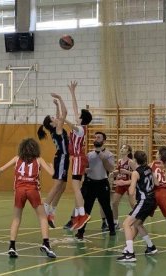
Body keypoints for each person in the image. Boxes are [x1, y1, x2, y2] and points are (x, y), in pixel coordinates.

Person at [0, 138, 57, 259]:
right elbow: (52, 174)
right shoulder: (38, 159)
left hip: (19, 190)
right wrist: (52, 167)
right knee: (43, 217)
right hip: (33, 190)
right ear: (35, 149)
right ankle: (46, 243)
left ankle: (12, 246)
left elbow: (1, 169)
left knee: (16, 218)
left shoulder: (17, 158)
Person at [75, 131, 116, 240]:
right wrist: (85, 170)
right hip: (91, 183)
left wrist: (104, 160)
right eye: (95, 137)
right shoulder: (89, 155)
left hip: (102, 183)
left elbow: (111, 169)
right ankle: (81, 232)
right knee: (87, 208)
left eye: (99, 137)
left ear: (104, 141)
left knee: (106, 207)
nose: (96, 139)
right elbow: (83, 169)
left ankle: (112, 229)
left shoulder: (109, 154)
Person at [117, 151, 157, 262]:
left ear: (135, 161)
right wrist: (126, 183)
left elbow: (131, 191)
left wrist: (130, 187)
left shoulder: (135, 173)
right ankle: (151, 247)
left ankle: (130, 253)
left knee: (126, 224)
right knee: (138, 224)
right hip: (152, 200)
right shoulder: (149, 168)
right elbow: (156, 183)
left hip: (144, 201)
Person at [37, 93, 69, 228]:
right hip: (61, 157)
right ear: (52, 123)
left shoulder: (55, 129)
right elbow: (65, 113)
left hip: (63, 158)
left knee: (62, 187)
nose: (56, 118)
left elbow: (59, 117)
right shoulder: (58, 129)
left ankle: (51, 213)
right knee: (57, 185)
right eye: (53, 118)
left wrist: (56, 106)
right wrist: (61, 98)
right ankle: (44, 208)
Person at [64, 80, 93, 230]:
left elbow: (71, 124)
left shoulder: (80, 129)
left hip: (77, 159)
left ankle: (82, 214)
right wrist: (72, 93)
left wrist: (62, 119)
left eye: (79, 115)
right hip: (78, 159)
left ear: (82, 119)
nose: (77, 115)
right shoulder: (81, 126)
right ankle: (76, 215)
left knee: (76, 188)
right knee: (77, 189)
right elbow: (75, 109)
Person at [111, 144, 137, 229]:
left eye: (124, 148)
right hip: (121, 183)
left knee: (133, 204)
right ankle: (115, 222)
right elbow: (118, 171)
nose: (122, 149)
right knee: (114, 203)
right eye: (121, 147)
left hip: (129, 184)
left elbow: (137, 173)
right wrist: (114, 173)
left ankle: (138, 220)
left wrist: (127, 172)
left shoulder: (130, 162)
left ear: (128, 151)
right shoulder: (119, 161)